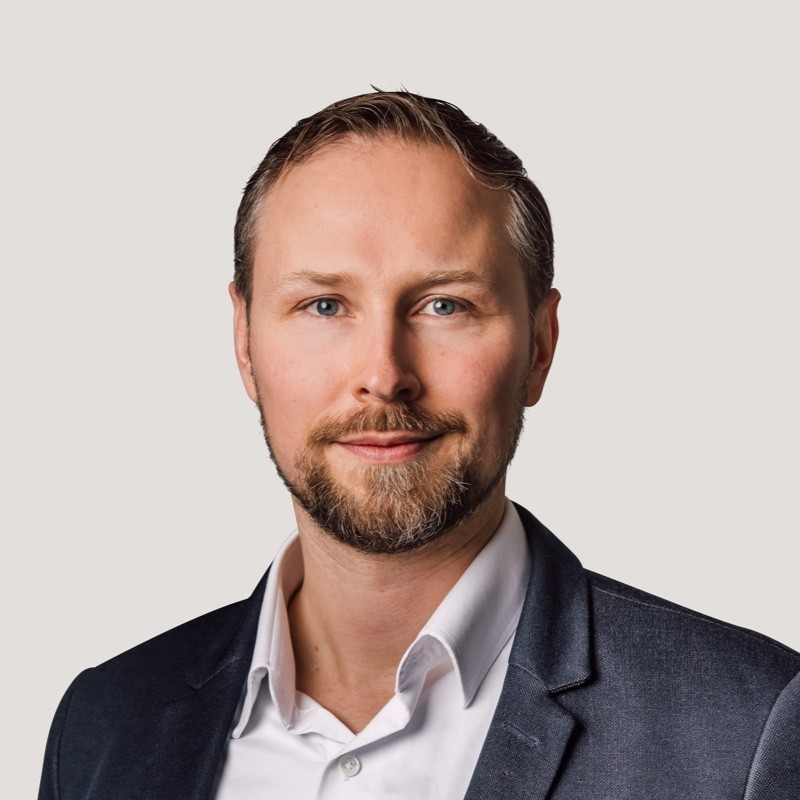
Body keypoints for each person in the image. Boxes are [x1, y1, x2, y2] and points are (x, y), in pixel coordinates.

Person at [38, 91, 799, 799]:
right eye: (324, 305)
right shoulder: (104, 725)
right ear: (244, 343)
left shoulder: (746, 733)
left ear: (540, 345)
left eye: (444, 305)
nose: (383, 376)